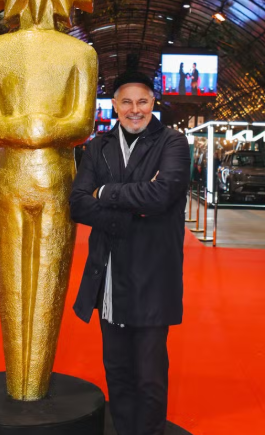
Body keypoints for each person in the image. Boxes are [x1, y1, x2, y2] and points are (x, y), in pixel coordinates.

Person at [70, 71, 191, 435]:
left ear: (153, 103)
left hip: (152, 274)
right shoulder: (98, 146)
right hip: (108, 274)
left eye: (142, 102)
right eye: (126, 102)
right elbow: (77, 203)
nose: (134, 110)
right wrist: (132, 208)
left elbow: (161, 195)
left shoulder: (173, 142)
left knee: (150, 374)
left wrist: (105, 194)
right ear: (115, 106)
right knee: (117, 370)